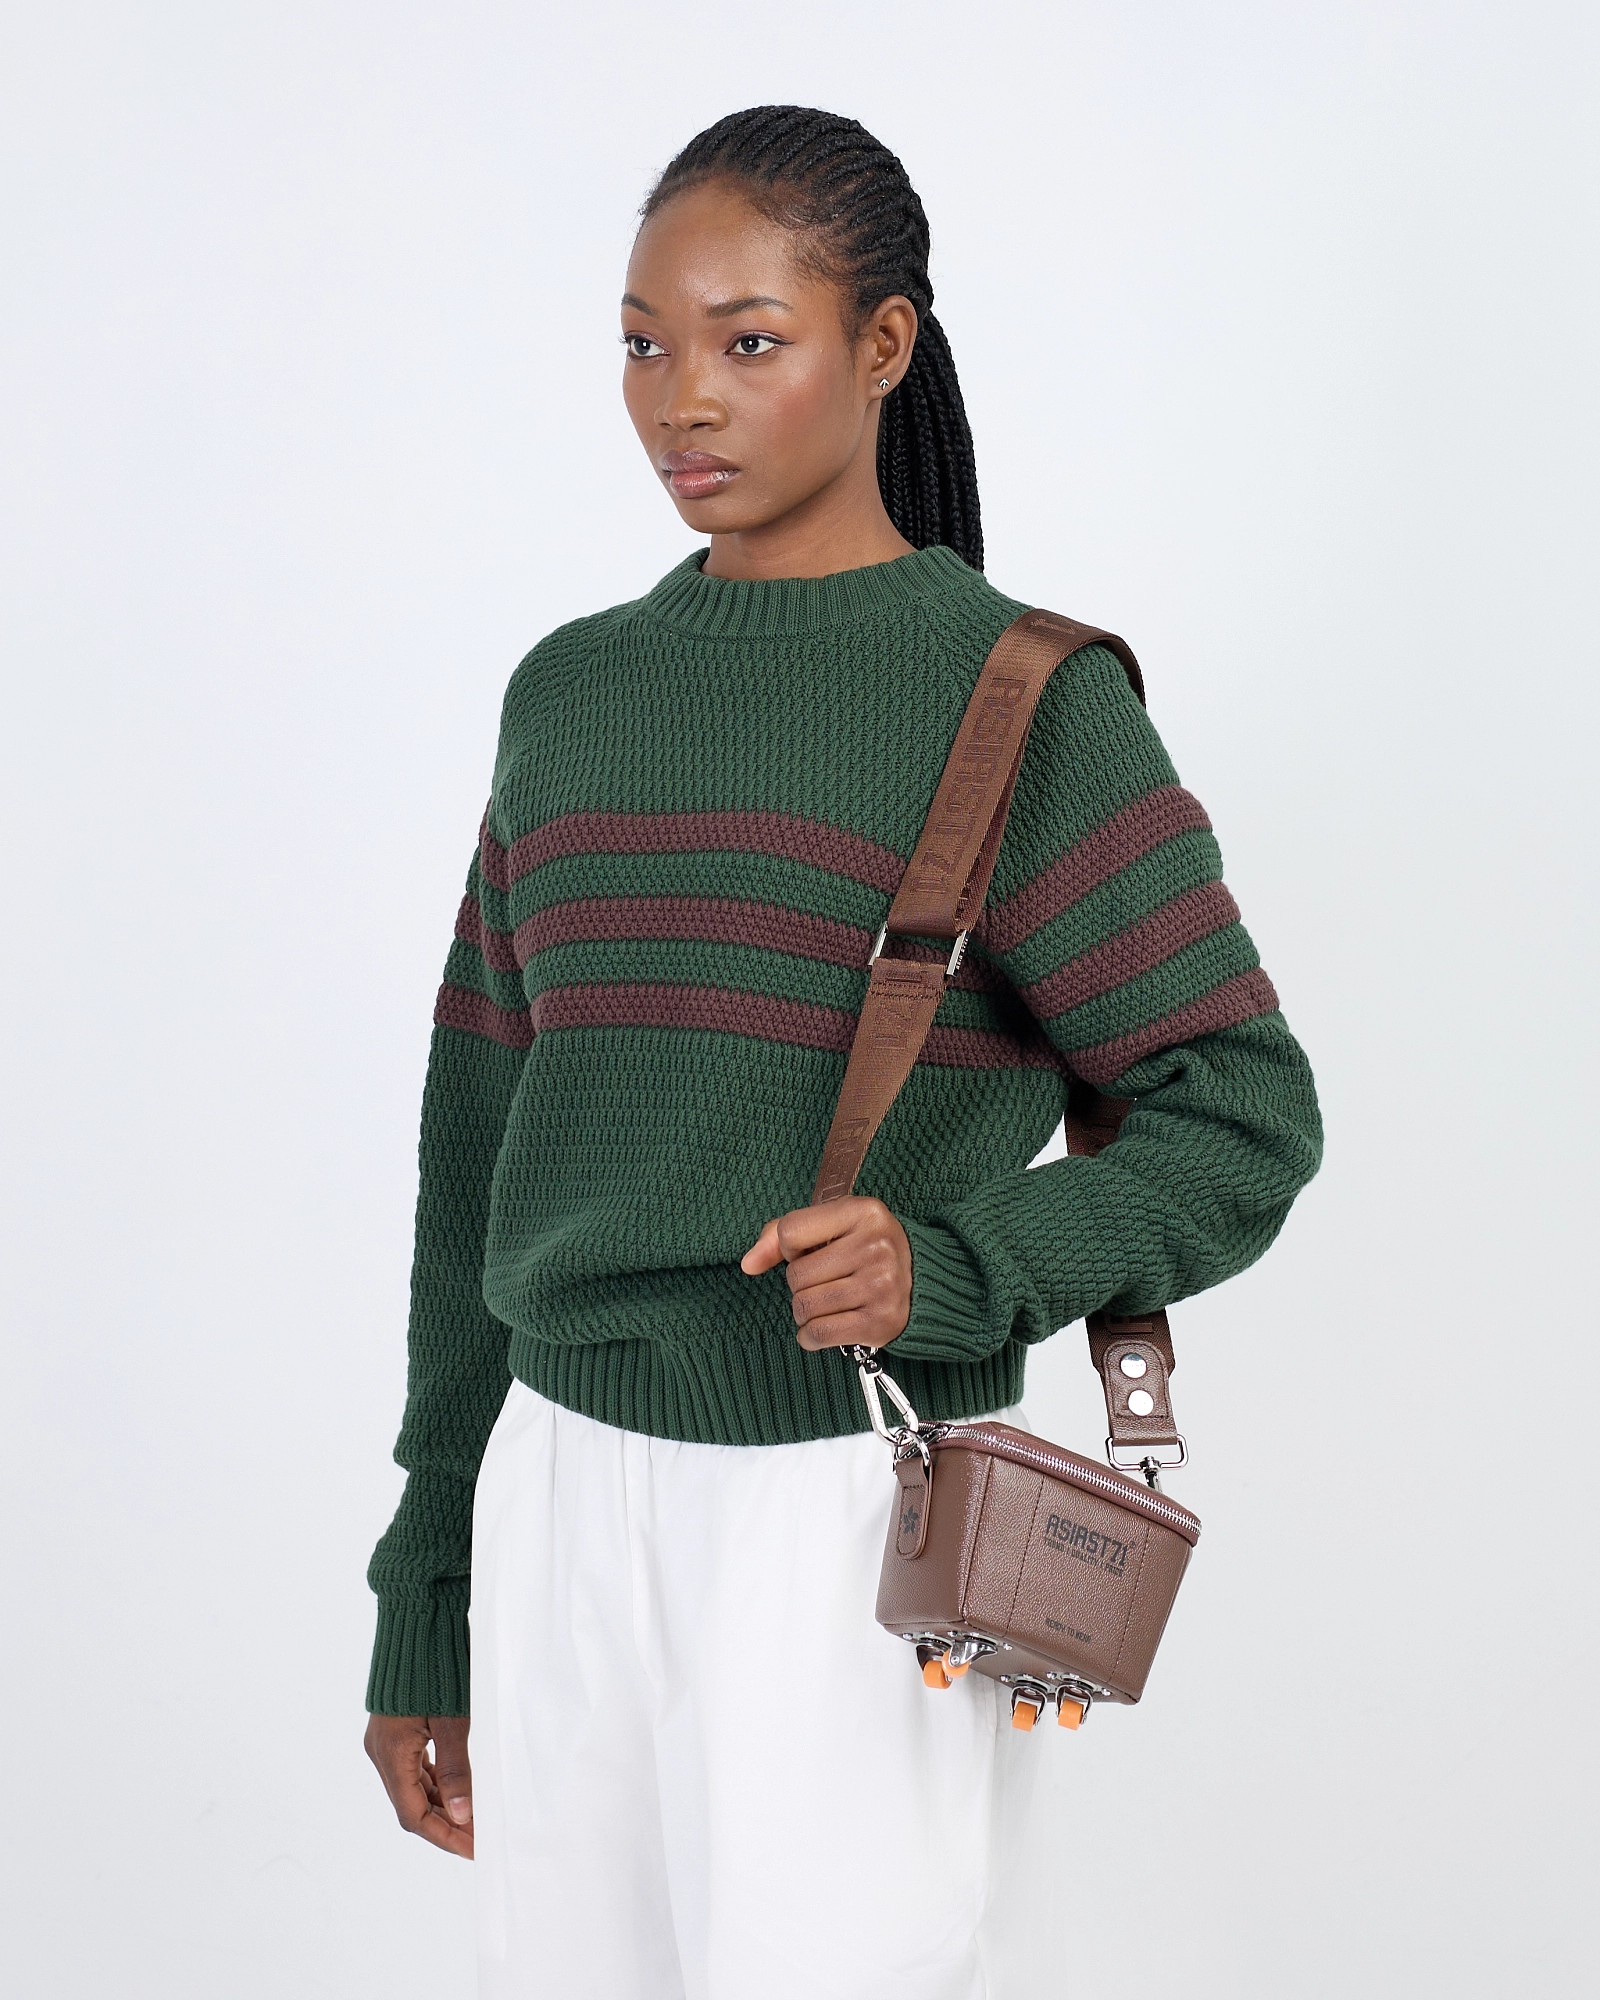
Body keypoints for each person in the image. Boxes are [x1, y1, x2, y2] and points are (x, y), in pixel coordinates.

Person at [362, 104, 1322, 1998]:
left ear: (883, 345)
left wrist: (954, 1266)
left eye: (748, 339)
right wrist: (429, 1590)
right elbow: (472, 1149)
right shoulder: (570, 693)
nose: (681, 400)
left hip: (848, 1509)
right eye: (642, 343)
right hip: (557, 1494)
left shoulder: (1028, 704)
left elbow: (1244, 1114)